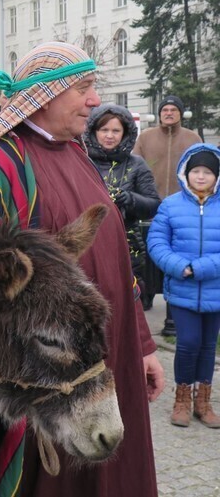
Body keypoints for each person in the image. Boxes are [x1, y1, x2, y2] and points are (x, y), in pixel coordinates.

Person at [0, 42, 164, 497]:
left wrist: (142, 343)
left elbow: (114, 262)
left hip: (107, 359)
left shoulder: (78, 156)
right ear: (44, 95)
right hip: (47, 384)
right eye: (83, 88)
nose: (94, 100)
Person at [147, 144, 220, 429]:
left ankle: (203, 401)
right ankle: (182, 399)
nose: (201, 177)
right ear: (186, 174)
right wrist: (180, 267)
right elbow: (156, 243)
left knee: (207, 346)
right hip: (182, 290)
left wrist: (199, 268)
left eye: (207, 172)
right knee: (188, 343)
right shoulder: (171, 205)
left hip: (215, 292)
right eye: (196, 171)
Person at [134, 94, 202, 336]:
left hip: (182, 208)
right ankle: (147, 296)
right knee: (148, 255)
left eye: (174, 109)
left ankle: (173, 316)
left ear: (180, 113)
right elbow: (134, 165)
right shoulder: (146, 137)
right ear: (160, 113)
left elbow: (201, 169)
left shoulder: (192, 138)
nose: (169, 113)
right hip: (150, 205)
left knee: (174, 257)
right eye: (165, 109)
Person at [85, 104, 161, 309]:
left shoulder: (136, 164)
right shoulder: (82, 161)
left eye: (115, 131)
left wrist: (130, 199)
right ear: (94, 132)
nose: (109, 136)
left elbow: (153, 204)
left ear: (125, 133)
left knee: (127, 306)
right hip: (87, 242)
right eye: (104, 130)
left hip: (127, 245)